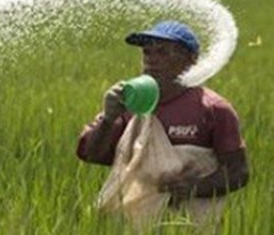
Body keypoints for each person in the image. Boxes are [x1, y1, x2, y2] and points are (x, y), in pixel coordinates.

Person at [77, 21, 249, 207]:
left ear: (191, 59)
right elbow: (91, 154)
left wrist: (194, 188)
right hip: (132, 223)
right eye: (147, 52)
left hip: (192, 224)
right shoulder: (129, 103)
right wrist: (108, 119)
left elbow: (238, 172)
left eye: (163, 52)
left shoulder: (213, 109)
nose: (151, 59)